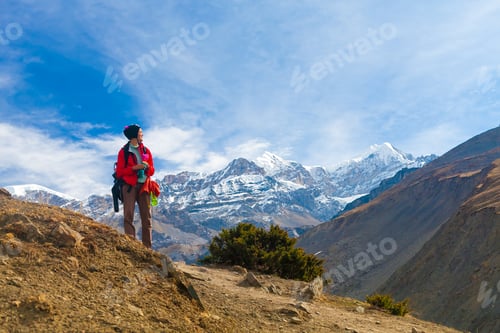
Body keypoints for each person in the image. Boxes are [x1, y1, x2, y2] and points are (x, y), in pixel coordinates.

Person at [115, 124, 155, 248]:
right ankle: (132, 247)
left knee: (147, 218)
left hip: (144, 186)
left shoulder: (146, 150)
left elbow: (152, 170)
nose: (142, 135)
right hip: (129, 187)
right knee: (128, 216)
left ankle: (147, 249)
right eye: (140, 132)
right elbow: (119, 172)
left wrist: (147, 167)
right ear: (134, 135)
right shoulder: (123, 152)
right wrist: (134, 168)